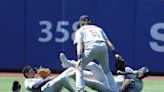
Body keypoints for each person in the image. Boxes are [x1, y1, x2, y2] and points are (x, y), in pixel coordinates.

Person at [73, 15, 120, 92]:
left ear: (81, 23)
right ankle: (115, 90)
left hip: (91, 46)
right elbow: (108, 42)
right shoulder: (98, 28)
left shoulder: (80, 30)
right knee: (107, 71)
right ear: (89, 22)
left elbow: (80, 44)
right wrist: (115, 53)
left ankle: (80, 89)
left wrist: (79, 58)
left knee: (79, 68)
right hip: (103, 46)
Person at [59, 53, 149, 92]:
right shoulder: (130, 71)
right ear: (140, 69)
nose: (142, 74)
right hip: (108, 81)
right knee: (93, 65)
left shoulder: (139, 85)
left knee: (94, 83)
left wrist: (126, 85)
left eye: (144, 74)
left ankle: (75, 76)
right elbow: (120, 71)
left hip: (112, 90)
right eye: (142, 72)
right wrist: (120, 62)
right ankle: (69, 64)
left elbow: (122, 90)